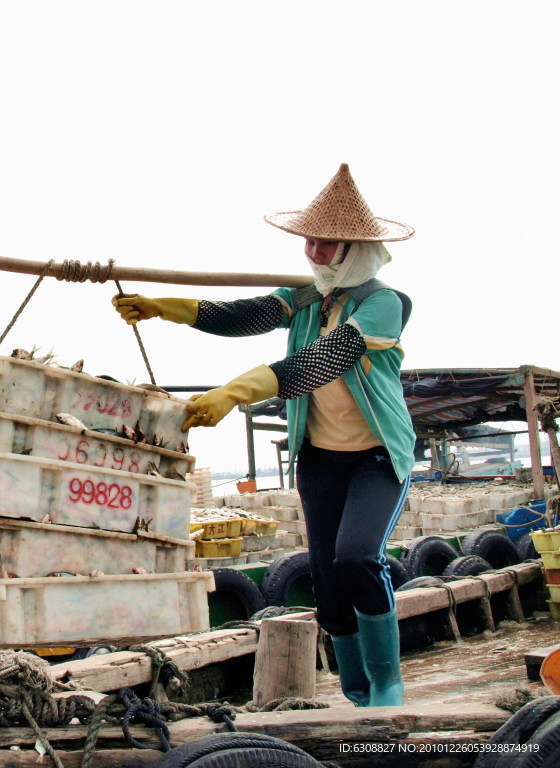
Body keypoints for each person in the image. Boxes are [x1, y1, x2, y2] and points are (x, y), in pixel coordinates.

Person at [113, 163, 414, 708]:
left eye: (327, 244)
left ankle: (387, 681)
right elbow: (241, 315)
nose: (313, 252)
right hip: (320, 458)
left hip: (376, 459)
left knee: (356, 557)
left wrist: (236, 391)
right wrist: (164, 307)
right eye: (309, 241)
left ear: (353, 249)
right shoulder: (304, 298)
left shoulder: (384, 304)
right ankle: (357, 691)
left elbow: (325, 359)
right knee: (325, 574)